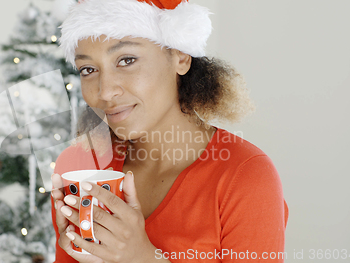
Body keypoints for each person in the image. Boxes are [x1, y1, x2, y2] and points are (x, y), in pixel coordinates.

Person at [49, 0, 289, 262]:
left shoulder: (245, 176)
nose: (105, 92)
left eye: (126, 60)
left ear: (180, 56)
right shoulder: (80, 167)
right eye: (89, 69)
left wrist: (143, 257)